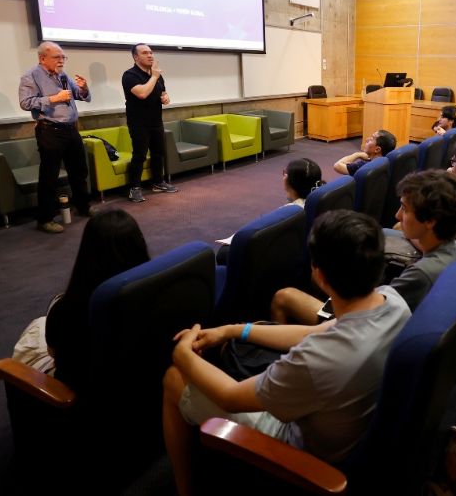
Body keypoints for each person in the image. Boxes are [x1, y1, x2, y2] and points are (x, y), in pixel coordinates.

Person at [163, 210, 411, 496]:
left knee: (173, 379)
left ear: (319, 275)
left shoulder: (318, 359)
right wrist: (234, 330)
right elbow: (314, 332)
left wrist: (182, 355)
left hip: (301, 448)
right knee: (254, 337)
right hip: (347, 424)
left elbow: (230, 398)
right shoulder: (393, 302)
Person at [270, 170, 456, 322]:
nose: (398, 215)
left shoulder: (421, 274)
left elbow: (372, 317)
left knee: (285, 295)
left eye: (404, 209)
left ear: (430, 221)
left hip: (361, 330)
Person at [44, 209, 150, 392]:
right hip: (145, 390)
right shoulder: (155, 294)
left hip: (85, 404)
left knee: (32, 333)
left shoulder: (66, 311)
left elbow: (53, 353)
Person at [18, 41, 93, 234]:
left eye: (63, 57)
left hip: (71, 129)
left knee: (79, 171)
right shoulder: (31, 76)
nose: (61, 61)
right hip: (49, 130)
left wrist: (83, 89)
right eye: (57, 57)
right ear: (43, 58)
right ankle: (45, 219)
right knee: (49, 176)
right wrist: (53, 99)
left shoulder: (63, 75)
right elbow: (25, 103)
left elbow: (78, 95)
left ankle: (83, 206)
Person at [215, 158, 324, 265]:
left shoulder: (290, 212)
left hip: (281, 258)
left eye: (285, 173)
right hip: (303, 252)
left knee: (223, 253)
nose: (284, 176)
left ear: (289, 181)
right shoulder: (319, 201)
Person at [122, 43, 176, 203]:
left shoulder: (157, 75)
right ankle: (135, 188)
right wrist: (154, 77)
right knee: (139, 155)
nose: (150, 55)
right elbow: (143, 94)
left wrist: (165, 98)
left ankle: (158, 182)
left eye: (151, 52)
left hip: (156, 121)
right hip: (138, 123)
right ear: (136, 57)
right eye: (145, 53)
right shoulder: (129, 75)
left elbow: (164, 94)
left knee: (158, 153)